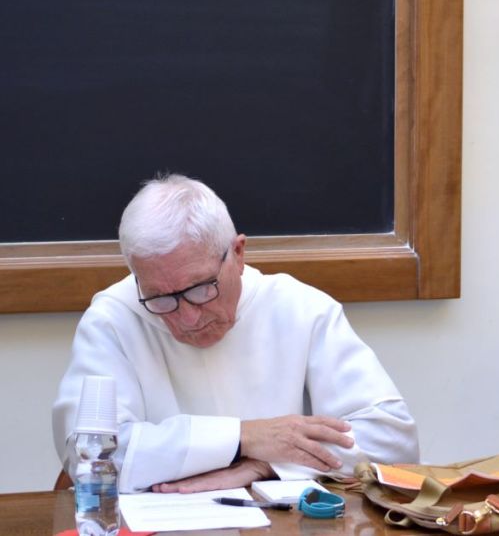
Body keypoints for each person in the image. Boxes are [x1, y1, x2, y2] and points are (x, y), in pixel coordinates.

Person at [53, 174, 419, 493]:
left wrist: (266, 466)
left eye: (200, 288)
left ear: (238, 253)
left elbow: (393, 439)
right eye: (162, 298)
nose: (188, 317)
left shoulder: (301, 308)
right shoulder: (113, 319)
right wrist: (244, 438)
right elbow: (92, 455)